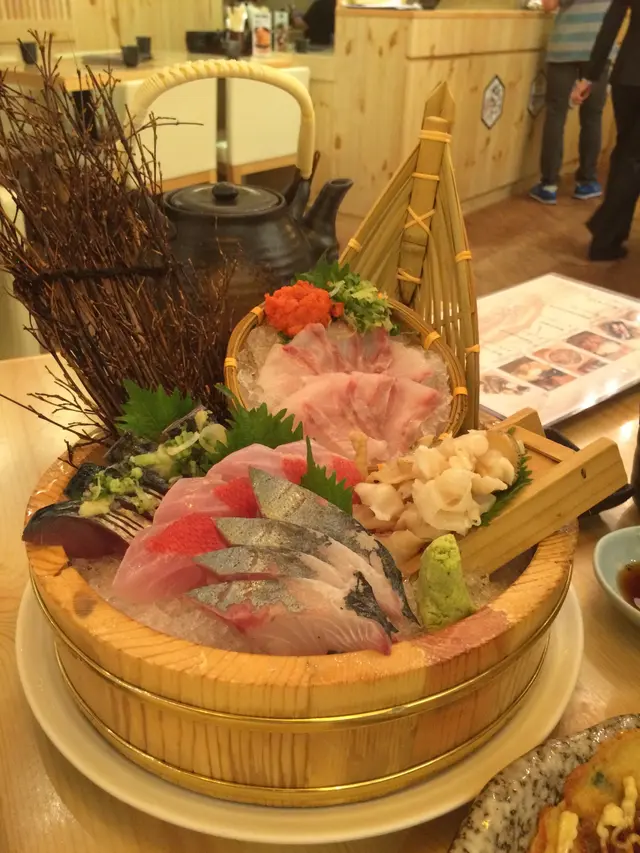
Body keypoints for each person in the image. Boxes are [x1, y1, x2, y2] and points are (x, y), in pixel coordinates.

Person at [572, 0, 639, 260]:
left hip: (626, 76)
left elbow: (611, 23)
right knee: (632, 159)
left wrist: (590, 75)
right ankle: (604, 233)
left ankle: (611, 237)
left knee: (626, 155)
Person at [529, 0, 612, 205]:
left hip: (564, 45)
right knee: (592, 117)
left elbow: (549, 5)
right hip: (599, 47)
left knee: (556, 115)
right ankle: (587, 181)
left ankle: (548, 185)